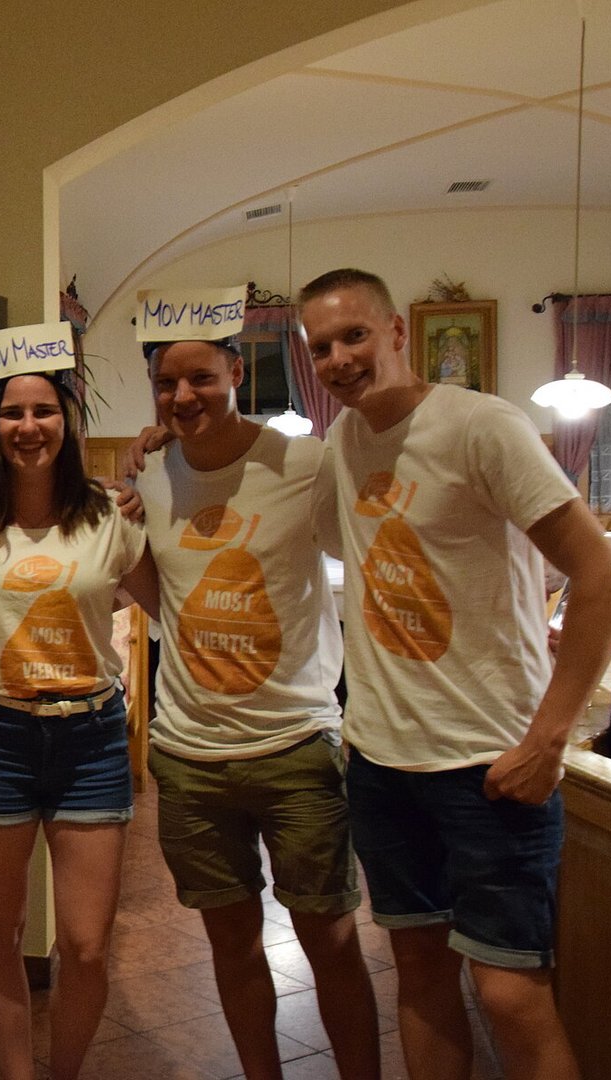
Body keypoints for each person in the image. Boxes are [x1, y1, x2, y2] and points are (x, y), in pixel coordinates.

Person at [299, 268, 611, 1080]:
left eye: (354, 335)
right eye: (321, 347)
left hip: (492, 764)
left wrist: (548, 740)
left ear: (396, 332)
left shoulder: (483, 426)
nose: (339, 359)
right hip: (383, 766)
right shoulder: (342, 442)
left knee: (512, 995)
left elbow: (606, 581)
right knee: (418, 974)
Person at [134, 334, 379, 1080]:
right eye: (167, 382)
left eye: (201, 378)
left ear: (238, 373)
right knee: (232, 946)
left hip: (296, 747)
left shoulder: (304, 464)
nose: (183, 397)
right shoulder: (150, 473)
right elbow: (162, 599)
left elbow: (375, 552)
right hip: (189, 758)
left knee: (331, 941)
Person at [0, 370, 155, 1080]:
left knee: (85, 946)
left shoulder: (109, 514)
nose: (29, 427)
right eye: (13, 413)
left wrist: (166, 484)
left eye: (44, 411)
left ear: (68, 421)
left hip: (90, 740)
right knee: (1, 936)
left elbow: (173, 599)